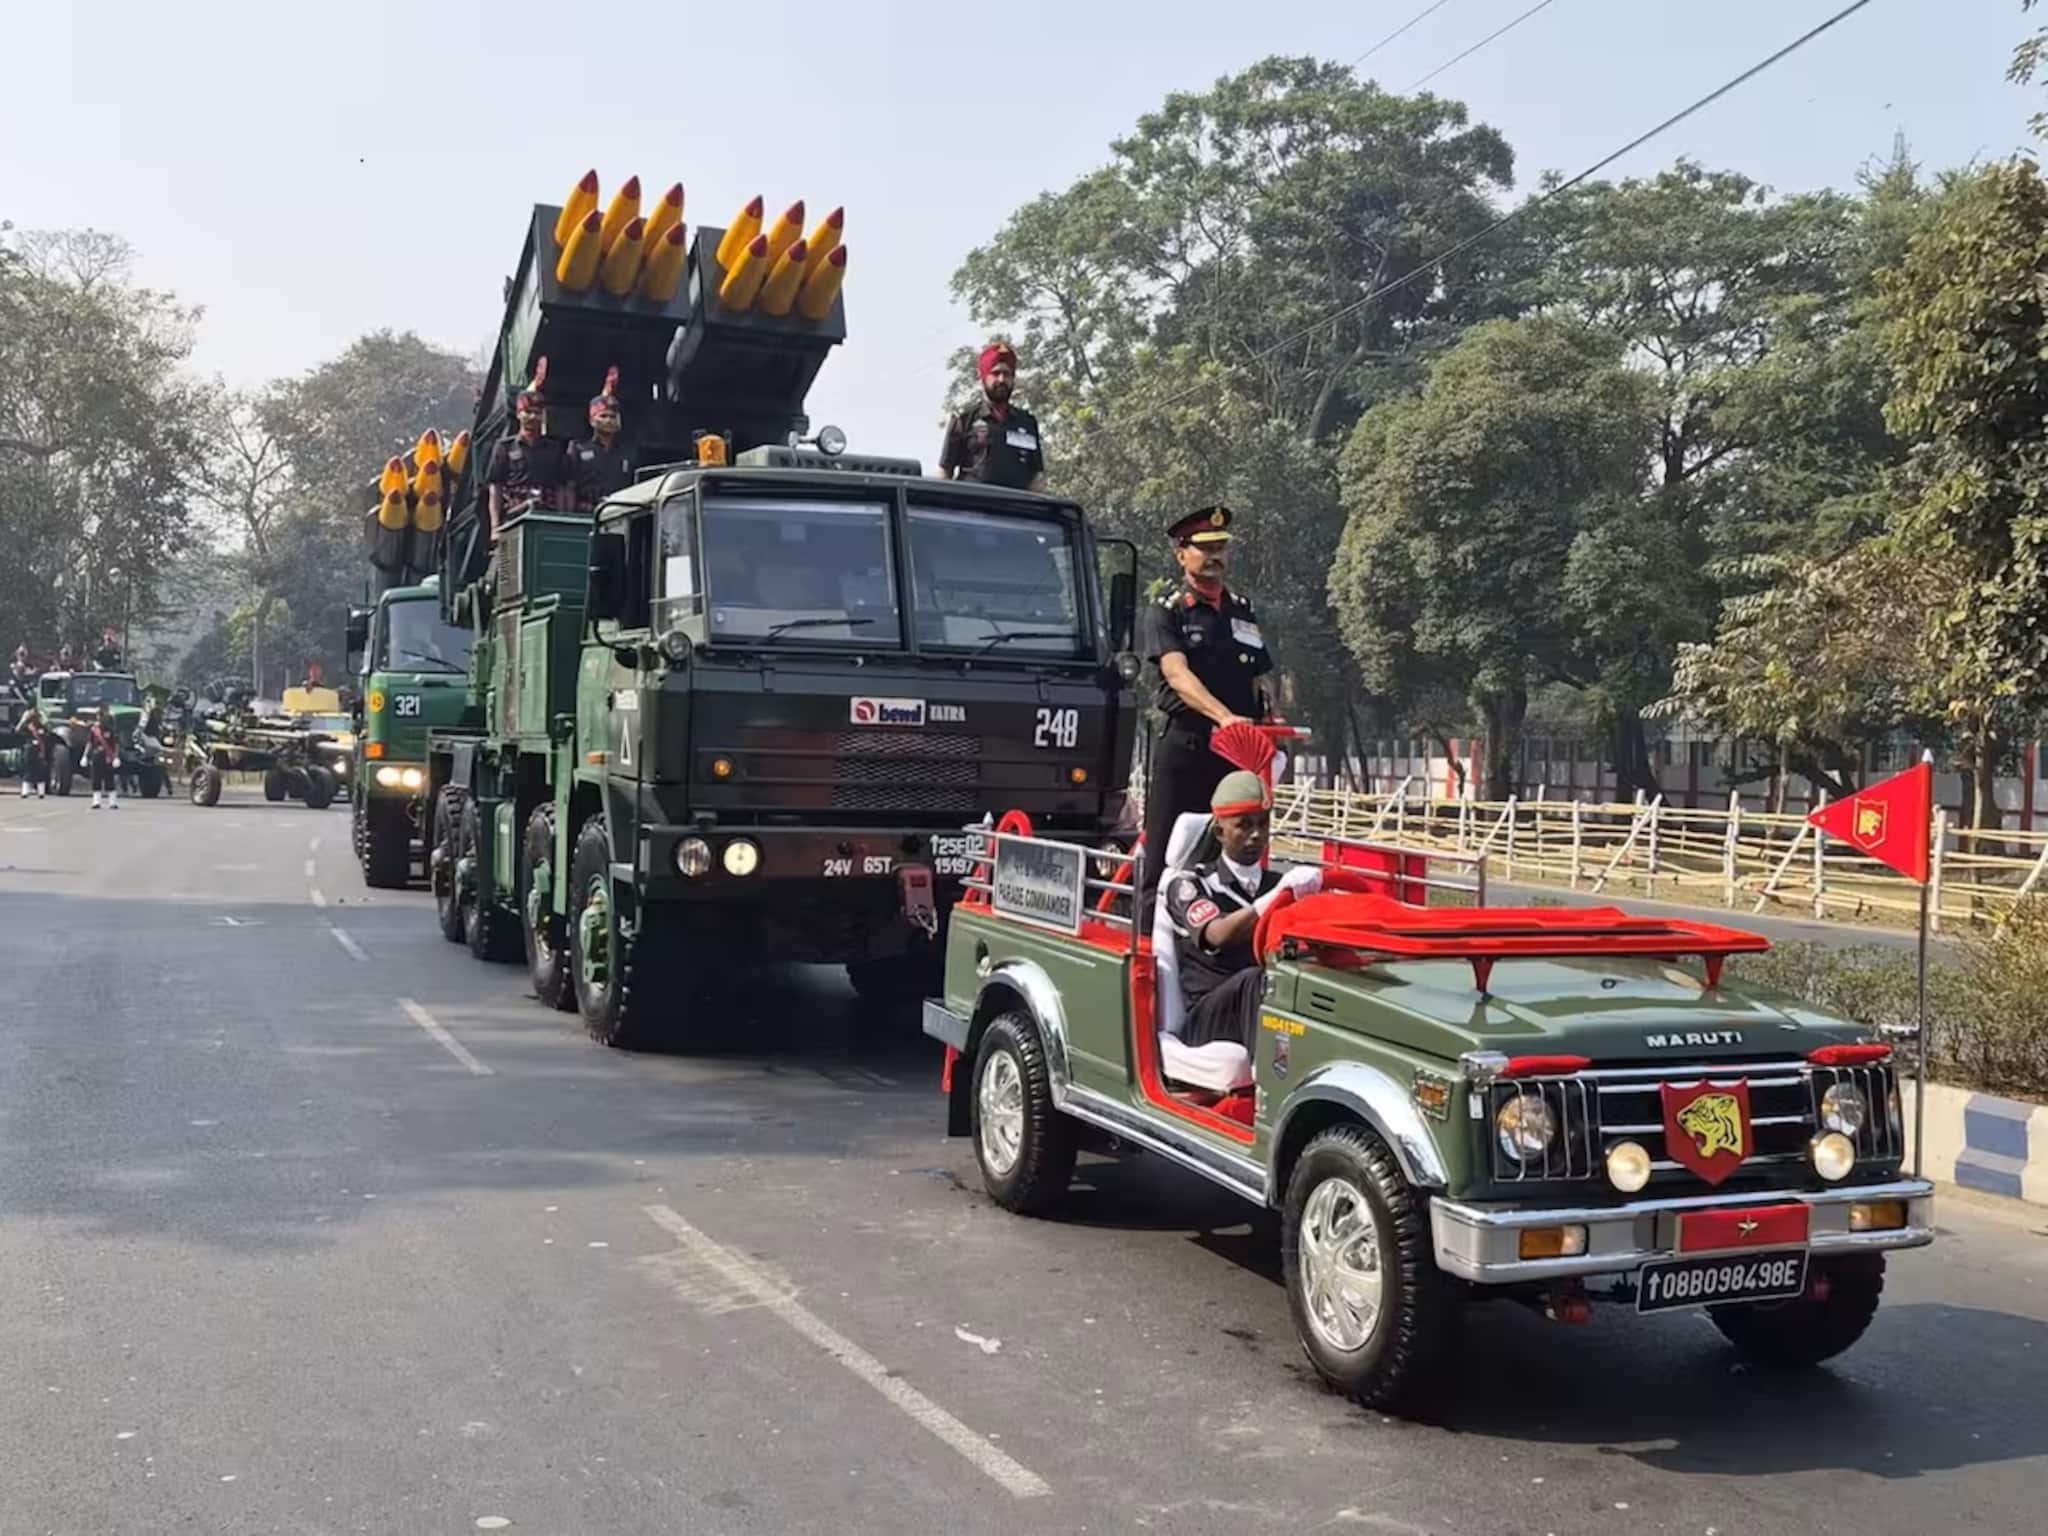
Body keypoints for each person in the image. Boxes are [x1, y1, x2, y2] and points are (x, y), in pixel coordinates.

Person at [1138, 504, 1273, 917]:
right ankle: (1148, 943)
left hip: (1234, 755)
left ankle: (1217, 935)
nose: (1216, 556)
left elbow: (1259, 677)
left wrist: (1271, 719)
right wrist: (1223, 715)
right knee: (1165, 851)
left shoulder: (1241, 610)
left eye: (1222, 548)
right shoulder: (1168, 609)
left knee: (1227, 852)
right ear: (1182, 554)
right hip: (1188, 746)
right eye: (1204, 548)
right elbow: (1177, 674)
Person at [1161, 772, 1320, 1053]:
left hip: (1261, 1006)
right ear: (1220, 832)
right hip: (1206, 1019)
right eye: (1244, 826)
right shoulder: (1189, 885)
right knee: (1258, 978)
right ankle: (1265, 1082)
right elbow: (1217, 934)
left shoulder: (1275, 884)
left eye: (1262, 824)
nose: (1256, 834)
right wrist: (1275, 898)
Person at [938, 342, 1046, 491]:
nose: (1001, 379)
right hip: (971, 509)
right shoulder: (964, 420)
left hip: (1017, 511)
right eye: (995, 373)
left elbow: (1035, 479)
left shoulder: (1027, 423)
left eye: (1007, 374)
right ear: (983, 377)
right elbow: (945, 472)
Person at [484, 386, 573, 542]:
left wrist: (563, 522)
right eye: (528, 412)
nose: (533, 416)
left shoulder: (555, 448)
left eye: (537, 413)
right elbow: (495, 490)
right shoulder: (504, 447)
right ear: (519, 414)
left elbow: (562, 488)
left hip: (547, 518)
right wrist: (495, 527)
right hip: (514, 518)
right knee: (509, 563)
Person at [571, 367, 635, 506]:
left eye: (612, 416)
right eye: (603, 416)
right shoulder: (578, 448)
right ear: (592, 420)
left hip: (620, 512)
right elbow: (568, 486)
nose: (608, 420)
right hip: (587, 511)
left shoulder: (629, 452)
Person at [87, 704, 120, 809]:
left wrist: (115, 757)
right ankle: (96, 801)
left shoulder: (110, 730)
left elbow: (115, 744)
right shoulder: (94, 730)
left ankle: (112, 802)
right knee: (96, 779)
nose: (99, 718)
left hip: (108, 757)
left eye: (101, 715)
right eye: (98, 715)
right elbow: (90, 743)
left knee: (109, 779)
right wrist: (85, 756)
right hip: (97, 756)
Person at [16, 702, 47, 798]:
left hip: (39, 750)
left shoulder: (41, 727)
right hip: (29, 749)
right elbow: (17, 730)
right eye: (33, 716)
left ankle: (41, 792)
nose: (35, 718)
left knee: (40, 771)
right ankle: (25, 792)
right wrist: (23, 720)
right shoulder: (26, 727)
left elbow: (45, 736)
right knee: (28, 770)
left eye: (36, 716)